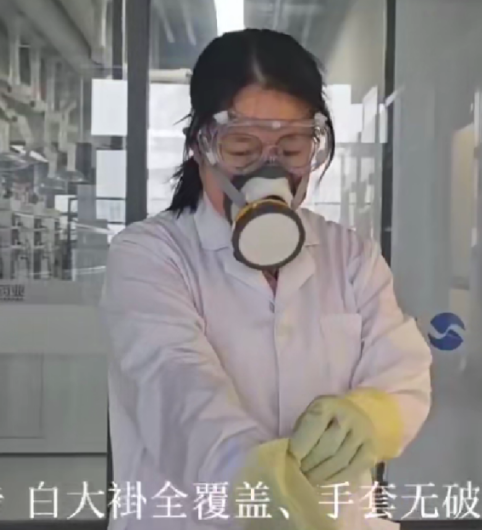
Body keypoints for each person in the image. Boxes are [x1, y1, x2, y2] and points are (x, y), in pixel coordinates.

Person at [101, 29, 432, 530]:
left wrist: (374, 415)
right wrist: (254, 482)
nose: (269, 169)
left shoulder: (351, 256)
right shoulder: (150, 255)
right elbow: (174, 387)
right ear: (201, 147)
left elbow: (403, 371)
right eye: (242, 146)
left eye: (292, 146)